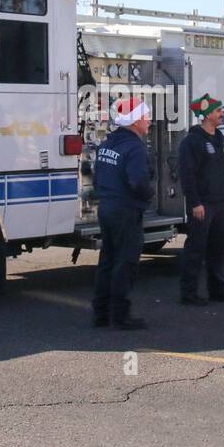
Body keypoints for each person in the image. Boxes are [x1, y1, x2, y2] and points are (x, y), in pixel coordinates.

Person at [91, 97, 153, 330]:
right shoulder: (135, 147)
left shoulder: (107, 144)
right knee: (125, 263)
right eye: (146, 116)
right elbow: (138, 181)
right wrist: (149, 195)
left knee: (107, 259)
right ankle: (120, 315)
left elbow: (97, 178)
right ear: (136, 120)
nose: (149, 121)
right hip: (125, 210)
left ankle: (101, 312)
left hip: (106, 208)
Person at [178, 93, 224, 306]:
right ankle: (189, 293)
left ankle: (217, 290)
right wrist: (195, 203)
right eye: (218, 111)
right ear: (206, 115)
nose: (222, 114)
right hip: (202, 205)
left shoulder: (222, 140)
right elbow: (187, 175)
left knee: (218, 248)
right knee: (196, 248)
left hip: (220, 204)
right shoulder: (192, 142)